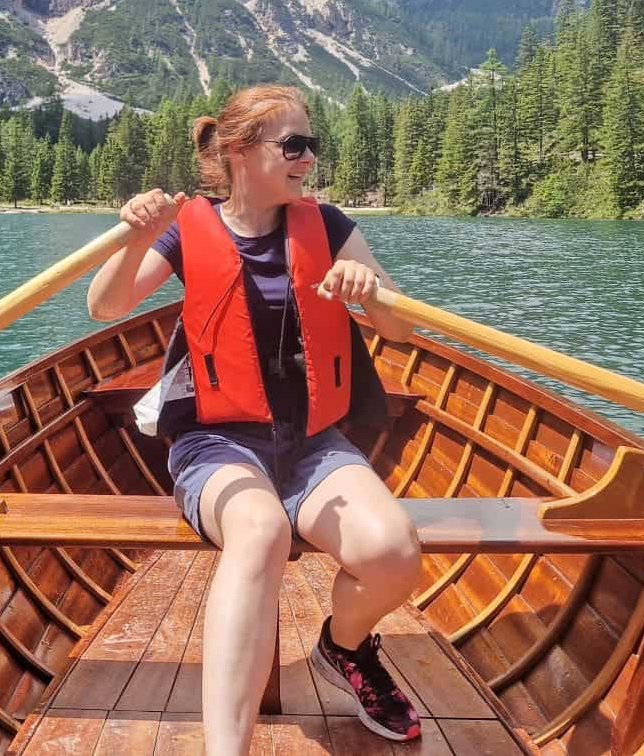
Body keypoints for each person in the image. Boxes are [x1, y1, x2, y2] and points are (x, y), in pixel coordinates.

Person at [86, 84, 423, 753]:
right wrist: (135, 237)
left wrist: (372, 297)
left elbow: (404, 327)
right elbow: (105, 304)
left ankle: (344, 648)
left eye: (312, 144)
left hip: (311, 444)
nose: (308, 158)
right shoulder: (190, 228)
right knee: (260, 527)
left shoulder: (326, 226)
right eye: (293, 144)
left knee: (394, 554)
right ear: (239, 153)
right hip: (216, 441)